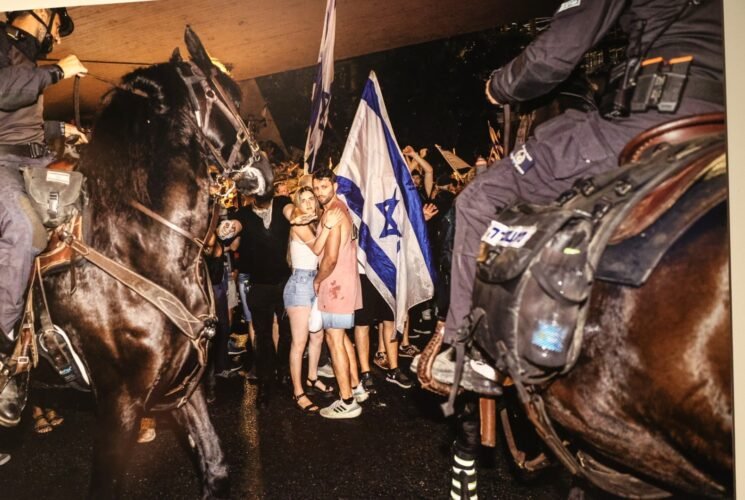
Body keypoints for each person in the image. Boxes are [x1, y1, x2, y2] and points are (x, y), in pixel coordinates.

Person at [445, 0, 725, 350]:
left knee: (480, 198)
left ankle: (464, 347)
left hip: (654, 114)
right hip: (722, 124)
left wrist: (501, 85)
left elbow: (553, 56)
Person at [0, 8, 87, 451]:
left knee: (87, 201)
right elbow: (4, 92)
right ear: (41, 12)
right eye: (58, 23)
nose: (58, 36)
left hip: (34, 161)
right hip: (2, 165)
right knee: (25, 229)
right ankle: (3, 351)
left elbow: (20, 119)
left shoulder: (25, 56)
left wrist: (59, 127)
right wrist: (56, 72)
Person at [227, 187, 293, 408]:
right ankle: (265, 383)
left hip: (284, 284)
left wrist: (298, 215)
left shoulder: (282, 203)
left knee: (286, 333)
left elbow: (291, 212)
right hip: (258, 286)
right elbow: (235, 226)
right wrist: (228, 227)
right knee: (263, 337)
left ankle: (284, 372)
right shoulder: (244, 213)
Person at [281, 186, 342, 414]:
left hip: (316, 281)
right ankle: (298, 392)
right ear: (298, 204)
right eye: (303, 200)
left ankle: (312, 377)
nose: (307, 203)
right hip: (299, 284)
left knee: (317, 336)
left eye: (310, 199)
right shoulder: (299, 224)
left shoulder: (313, 223)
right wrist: (328, 227)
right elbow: (317, 249)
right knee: (299, 343)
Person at [311, 167, 366, 419]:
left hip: (335, 286)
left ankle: (347, 401)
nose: (319, 192)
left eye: (324, 186)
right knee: (342, 339)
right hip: (346, 283)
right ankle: (356, 387)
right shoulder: (341, 208)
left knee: (334, 341)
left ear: (334, 186)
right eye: (316, 187)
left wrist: (318, 280)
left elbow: (330, 258)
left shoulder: (333, 213)